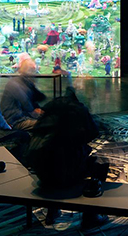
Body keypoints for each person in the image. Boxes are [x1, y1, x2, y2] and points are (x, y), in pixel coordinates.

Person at [25, 88, 109, 227]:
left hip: (42, 174)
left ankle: (52, 211)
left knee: (57, 158)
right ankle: (91, 217)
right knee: (99, 165)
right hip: (63, 175)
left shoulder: (51, 110)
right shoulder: (77, 110)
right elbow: (92, 133)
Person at [0, 54, 45, 130]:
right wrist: (37, 112)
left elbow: (38, 97)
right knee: (46, 125)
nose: (34, 72)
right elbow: (27, 104)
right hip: (14, 121)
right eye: (31, 69)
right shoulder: (16, 83)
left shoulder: (25, 82)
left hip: (20, 117)